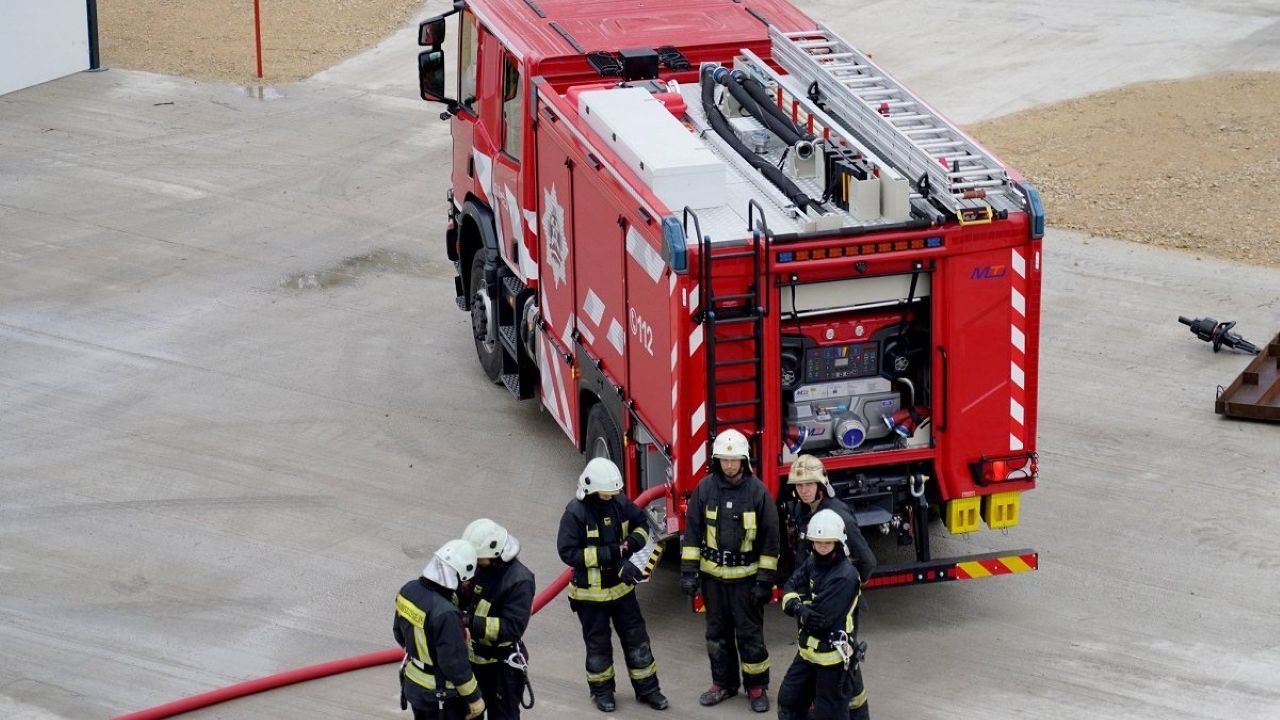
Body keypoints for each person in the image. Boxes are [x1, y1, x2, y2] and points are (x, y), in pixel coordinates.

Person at [680, 429, 781, 713]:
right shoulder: (705, 489)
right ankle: (723, 684)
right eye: (724, 460)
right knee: (716, 635)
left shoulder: (758, 493)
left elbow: (771, 542)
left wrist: (764, 582)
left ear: (744, 460)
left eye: (734, 459)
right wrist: (689, 573)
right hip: (713, 581)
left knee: (750, 636)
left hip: (746, 583)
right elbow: (692, 535)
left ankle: (757, 687)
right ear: (717, 461)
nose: (729, 465)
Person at [557, 457, 669, 713]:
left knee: (637, 640)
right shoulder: (575, 513)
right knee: (598, 646)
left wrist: (630, 545)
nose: (610, 498)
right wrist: (609, 555)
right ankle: (602, 692)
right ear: (590, 490)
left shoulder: (619, 503)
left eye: (612, 493)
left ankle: (649, 690)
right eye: (605, 494)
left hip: (622, 591)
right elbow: (567, 552)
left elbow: (641, 526)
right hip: (590, 597)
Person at [777, 509, 869, 720]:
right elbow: (790, 584)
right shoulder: (813, 560)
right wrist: (800, 609)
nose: (822, 546)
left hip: (831, 660)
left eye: (827, 542)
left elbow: (820, 619)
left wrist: (797, 604)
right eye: (818, 542)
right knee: (788, 700)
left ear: (838, 542)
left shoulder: (845, 576)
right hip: (807, 653)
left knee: (829, 714)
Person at [394, 539, 486, 720]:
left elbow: (399, 633)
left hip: (414, 686)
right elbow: (454, 664)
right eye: (467, 580)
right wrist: (474, 698)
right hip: (442, 696)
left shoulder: (408, 590)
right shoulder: (446, 614)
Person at [461, 518, 536, 719]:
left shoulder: (520, 581)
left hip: (501, 667)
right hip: (472, 660)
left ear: (495, 554)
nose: (475, 562)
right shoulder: (481, 567)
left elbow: (511, 628)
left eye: (479, 558)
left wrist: (468, 622)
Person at [784, 454, 876, 583]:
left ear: (821, 485)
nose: (804, 490)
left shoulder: (839, 515)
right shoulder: (801, 509)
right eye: (799, 485)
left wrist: (852, 586)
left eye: (809, 484)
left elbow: (867, 561)